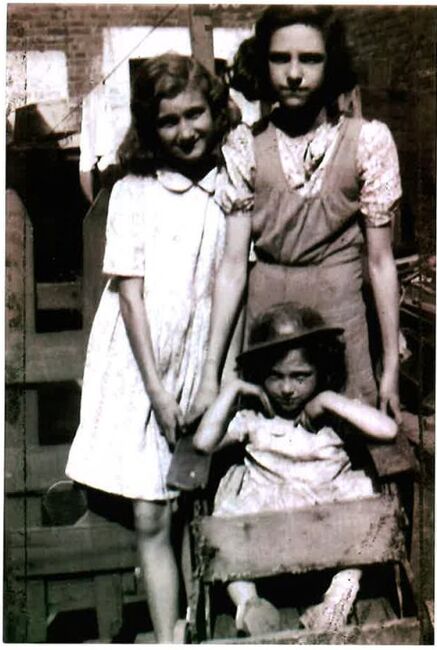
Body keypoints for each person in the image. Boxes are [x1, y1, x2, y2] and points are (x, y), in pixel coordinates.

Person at [65, 53, 237, 643]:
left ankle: (197, 626)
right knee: (150, 510)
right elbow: (131, 299)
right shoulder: (132, 192)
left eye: (196, 115)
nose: (186, 131)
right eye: (169, 121)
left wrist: (209, 377)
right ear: (149, 127)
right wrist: (158, 390)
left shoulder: (227, 190)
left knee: (190, 502)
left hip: (199, 360)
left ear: (215, 114)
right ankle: (168, 637)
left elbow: (228, 284)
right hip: (139, 367)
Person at [192, 5, 402, 424]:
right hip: (268, 330)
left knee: (346, 453)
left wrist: (391, 369)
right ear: (261, 62)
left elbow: (380, 263)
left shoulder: (369, 142)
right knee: (266, 450)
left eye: (310, 59)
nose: (293, 73)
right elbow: (233, 266)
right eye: (280, 58)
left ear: (332, 63)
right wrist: (209, 375)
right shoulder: (243, 145)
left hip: (341, 322)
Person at [193, 301, 397, 636]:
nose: (288, 389)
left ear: (321, 372)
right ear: (261, 375)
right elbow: (202, 444)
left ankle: (337, 599)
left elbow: (387, 430)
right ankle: (248, 604)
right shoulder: (255, 419)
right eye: (276, 376)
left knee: (364, 501)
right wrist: (232, 389)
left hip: (331, 518)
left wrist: (329, 400)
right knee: (226, 515)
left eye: (301, 377)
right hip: (265, 521)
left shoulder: (332, 417)